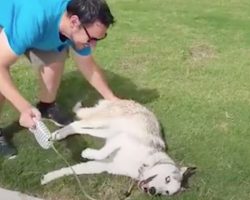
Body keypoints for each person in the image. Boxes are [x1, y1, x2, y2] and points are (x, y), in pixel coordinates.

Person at [0, 0, 119, 158]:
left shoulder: (75, 23)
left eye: (99, 39)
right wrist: (24, 107)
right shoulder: (35, 16)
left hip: (46, 28)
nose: (93, 45)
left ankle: (46, 106)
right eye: (91, 39)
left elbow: (87, 64)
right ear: (74, 21)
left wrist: (111, 99)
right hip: (8, 15)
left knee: (55, 62)